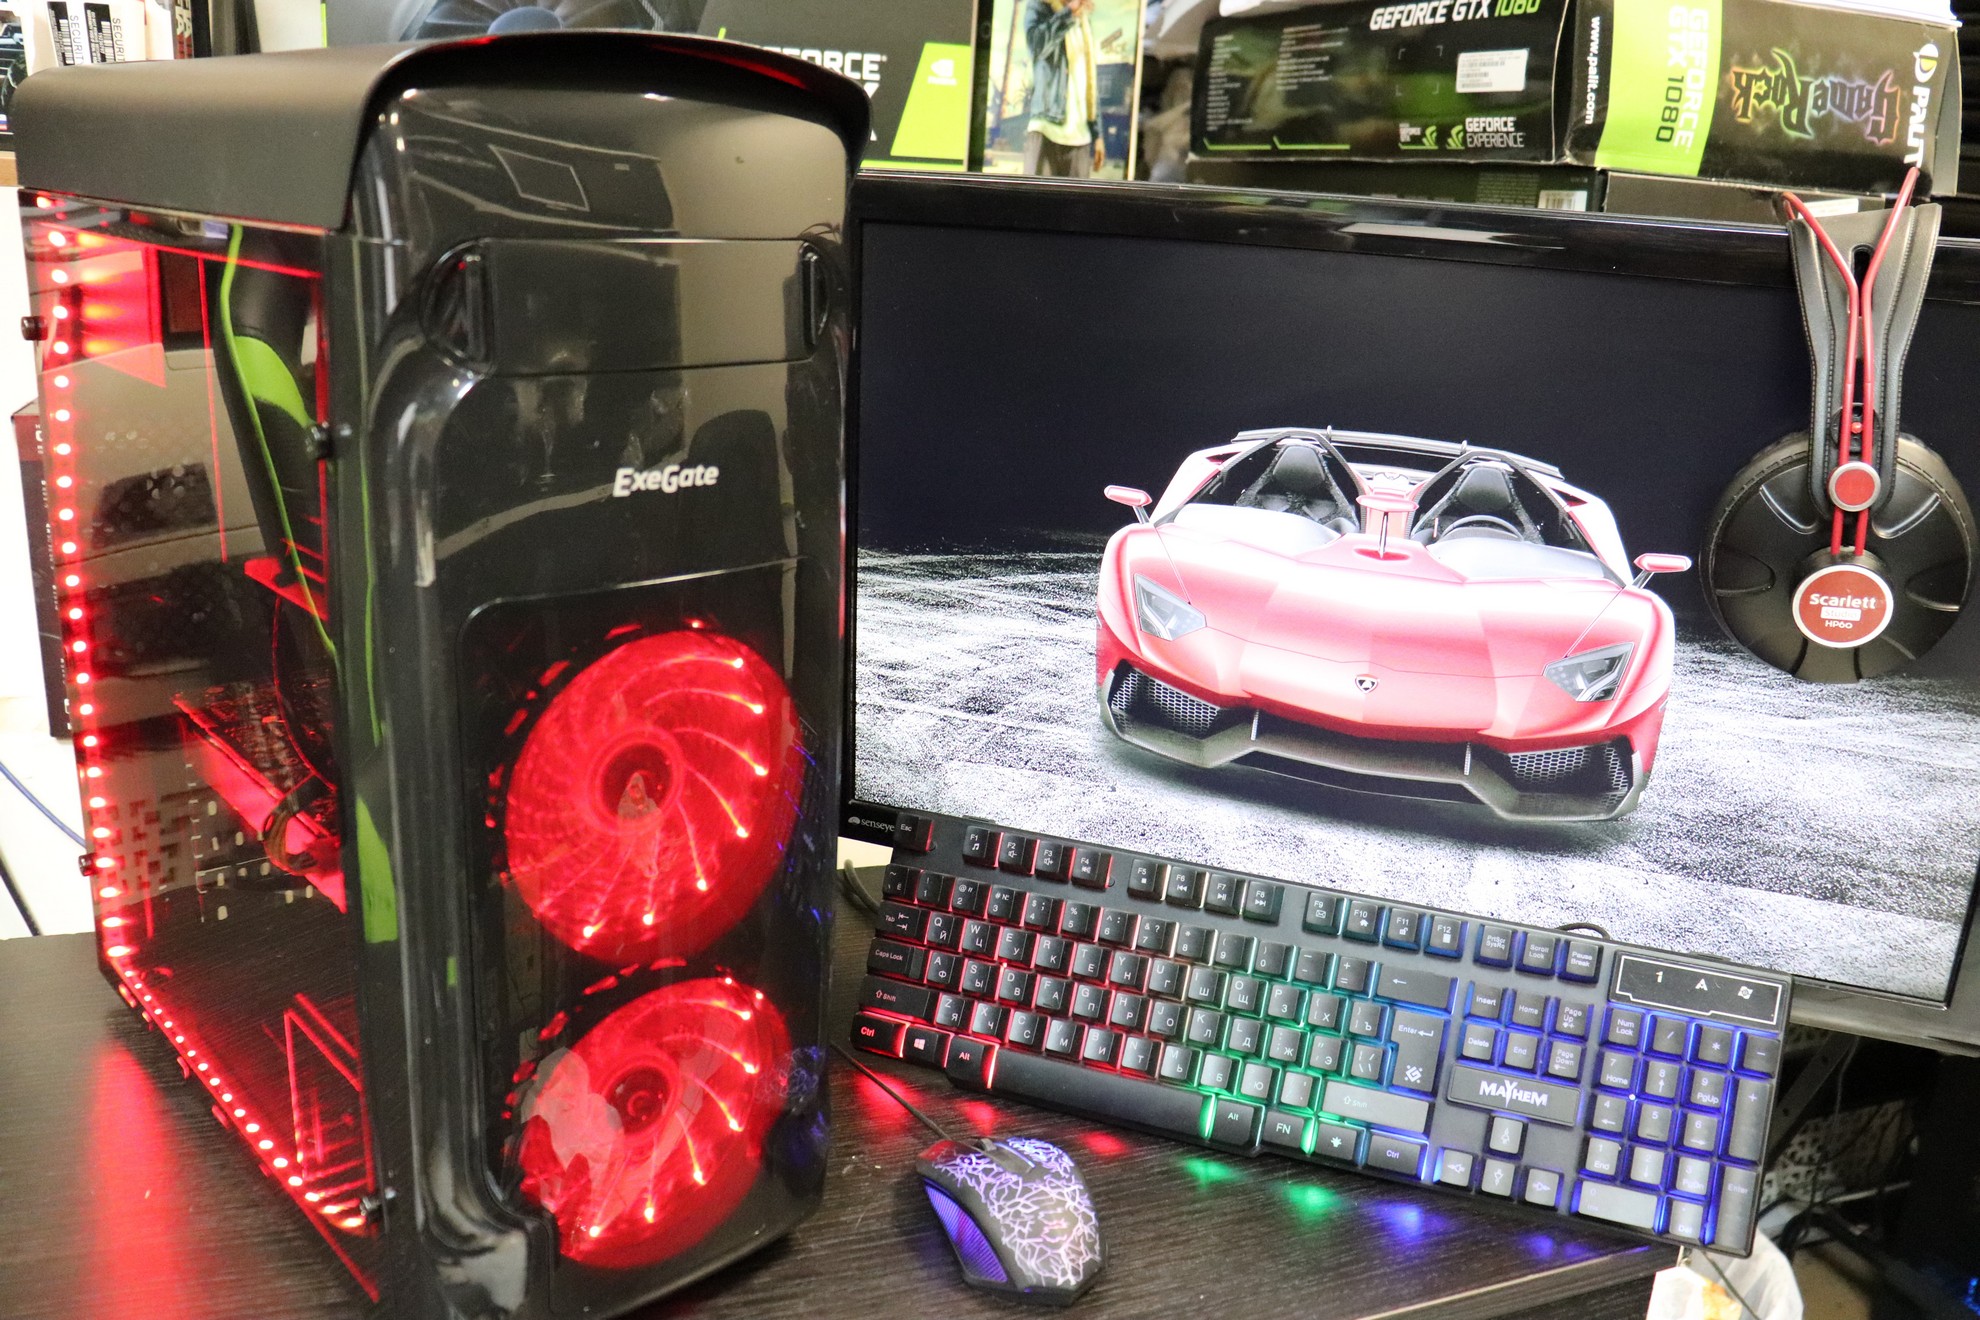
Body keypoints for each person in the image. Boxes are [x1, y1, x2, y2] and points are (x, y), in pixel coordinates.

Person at [1022, 0, 1104, 177]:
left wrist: (1097, 135)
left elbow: (1089, 81)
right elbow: (1036, 46)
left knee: (1078, 198)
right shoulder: (1040, 6)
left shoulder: (1083, 21)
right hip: (1046, 129)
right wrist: (1067, 13)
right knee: (1034, 195)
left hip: (1080, 138)